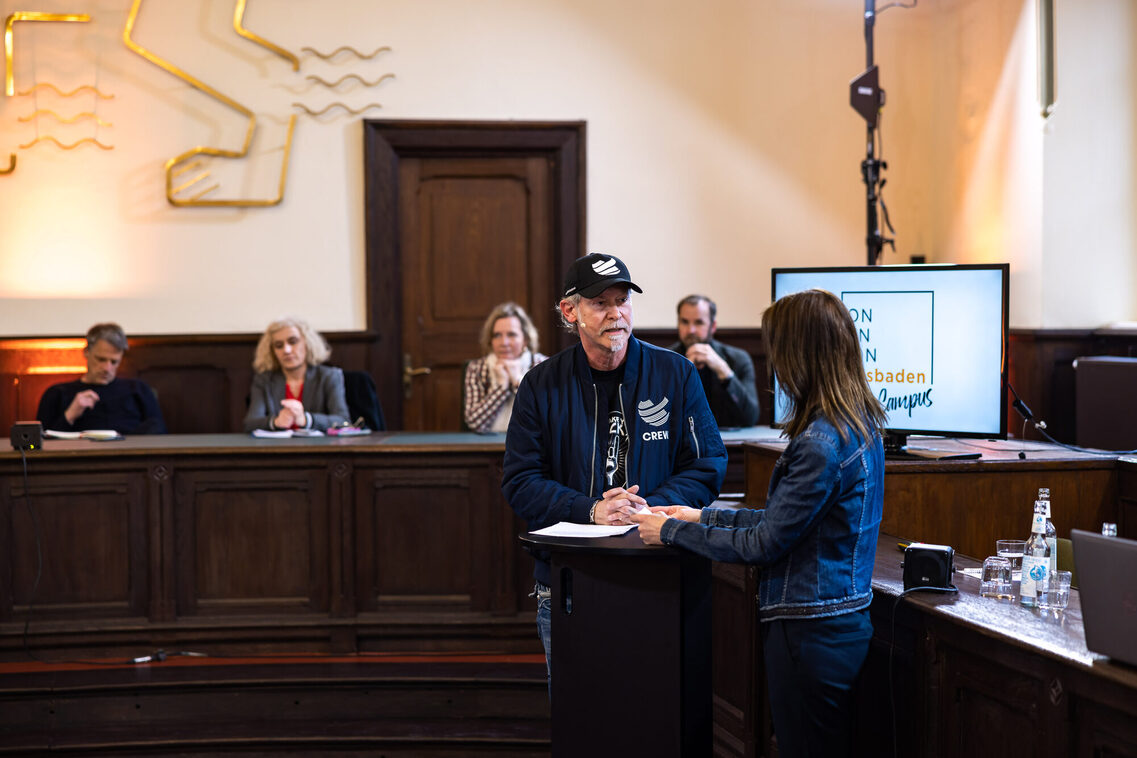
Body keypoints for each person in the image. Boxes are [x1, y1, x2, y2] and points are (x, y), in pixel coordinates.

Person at [633, 288, 887, 758]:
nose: (774, 364)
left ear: (801, 354)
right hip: (838, 623)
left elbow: (765, 544)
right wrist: (701, 514)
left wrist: (669, 531)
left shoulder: (819, 442)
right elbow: (787, 520)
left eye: (778, 351)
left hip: (810, 634)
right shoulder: (859, 423)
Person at [502, 253, 727, 676]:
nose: (616, 314)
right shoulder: (541, 384)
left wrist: (649, 508)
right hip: (568, 581)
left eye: (622, 301)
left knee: (660, 718)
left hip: (662, 572)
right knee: (581, 722)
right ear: (570, 311)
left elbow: (708, 464)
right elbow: (520, 481)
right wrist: (592, 510)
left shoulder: (675, 374)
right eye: (600, 303)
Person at [36, 322, 167, 434]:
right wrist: (70, 415)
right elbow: (41, 442)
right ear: (86, 352)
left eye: (114, 362)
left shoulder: (138, 390)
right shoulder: (58, 393)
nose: (107, 368)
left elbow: (160, 433)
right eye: (101, 359)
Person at [243, 317, 350, 432]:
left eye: (293, 342)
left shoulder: (328, 376)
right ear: (272, 351)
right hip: (277, 447)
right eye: (279, 345)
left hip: (318, 447)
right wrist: (276, 422)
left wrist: (306, 419)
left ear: (307, 343)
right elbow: (250, 423)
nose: (287, 350)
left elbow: (343, 421)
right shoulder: (264, 380)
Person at [669, 294, 760, 428]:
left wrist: (724, 371)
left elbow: (750, 417)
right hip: (679, 444)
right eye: (684, 322)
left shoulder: (738, 359)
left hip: (728, 443)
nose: (691, 330)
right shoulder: (666, 359)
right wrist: (684, 374)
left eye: (699, 322)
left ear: (713, 326)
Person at [463, 302, 548, 433]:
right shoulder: (477, 368)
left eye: (511, 335)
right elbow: (474, 423)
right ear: (490, 340)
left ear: (525, 339)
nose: (504, 343)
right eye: (497, 335)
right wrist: (501, 388)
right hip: (486, 447)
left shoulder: (543, 366)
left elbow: (545, 417)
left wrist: (517, 382)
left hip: (532, 446)